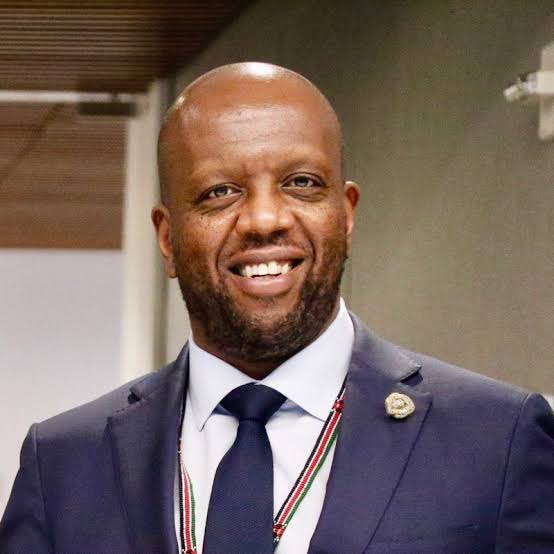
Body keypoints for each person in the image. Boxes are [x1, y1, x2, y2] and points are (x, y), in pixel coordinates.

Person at [1, 62, 553, 554]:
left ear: (347, 215)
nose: (265, 220)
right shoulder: (64, 465)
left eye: (301, 183)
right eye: (219, 192)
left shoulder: (496, 440)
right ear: (167, 239)